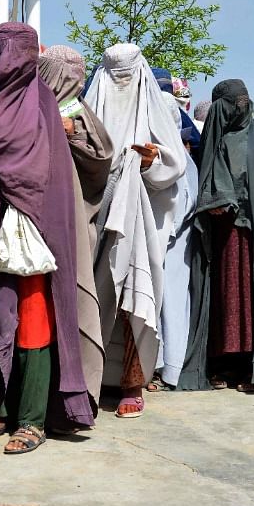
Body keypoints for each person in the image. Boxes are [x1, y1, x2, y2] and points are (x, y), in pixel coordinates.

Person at [0, 23, 94, 453]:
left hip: (28, 232)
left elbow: (38, 169)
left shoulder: (41, 102)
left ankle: (31, 419)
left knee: (32, 318)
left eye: (12, 53)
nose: (2, 61)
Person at [84, 44, 187, 417]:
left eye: (127, 73)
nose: (120, 82)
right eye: (114, 74)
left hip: (143, 218)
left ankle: (132, 381)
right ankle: (91, 378)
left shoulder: (156, 108)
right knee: (94, 295)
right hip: (97, 212)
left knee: (133, 297)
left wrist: (151, 159)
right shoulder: (90, 108)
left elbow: (175, 163)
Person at [178, 79, 254, 391]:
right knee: (228, 297)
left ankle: (250, 366)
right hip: (226, 236)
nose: (241, 107)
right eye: (235, 102)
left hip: (248, 236)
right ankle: (226, 363)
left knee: (245, 296)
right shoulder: (227, 139)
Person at [37, 45, 113, 410]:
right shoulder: (27, 105)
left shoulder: (74, 110)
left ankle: (73, 396)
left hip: (75, 227)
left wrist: (70, 133)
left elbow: (101, 156)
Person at [151, 67, 200, 388]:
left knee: (169, 304)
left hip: (170, 242)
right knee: (162, 302)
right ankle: (159, 365)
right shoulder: (163, 155)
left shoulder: (179, 161)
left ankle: (169, 367)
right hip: (163, 243)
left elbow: (184, 202)